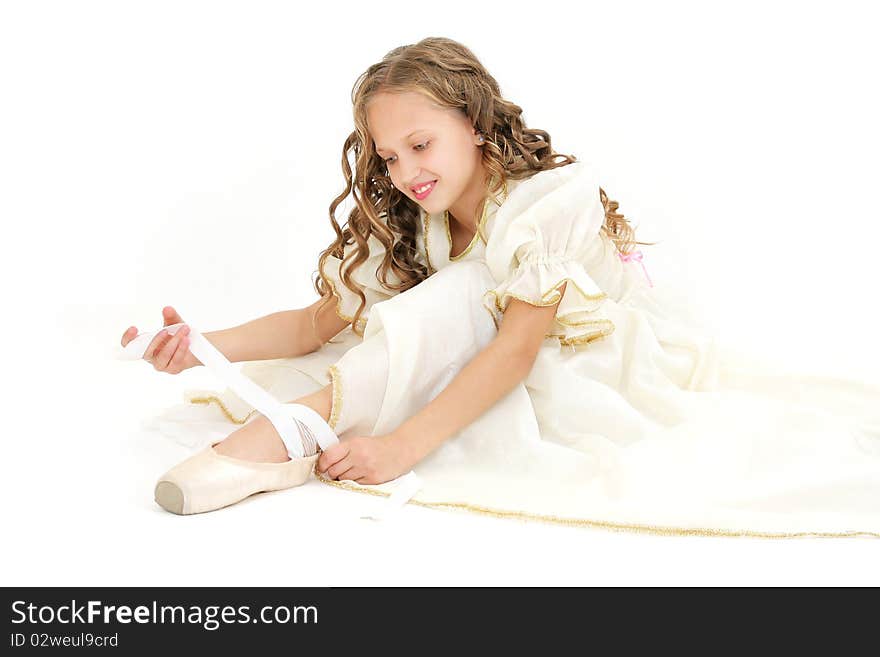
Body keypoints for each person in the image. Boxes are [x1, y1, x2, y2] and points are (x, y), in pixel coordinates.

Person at [123, 37, 880, 538]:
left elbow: (518, 349)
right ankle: (294, 427)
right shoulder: (417, 217)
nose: (404, 172)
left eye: (421, 145)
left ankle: (288, 430)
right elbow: (321, 321)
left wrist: (401, 446)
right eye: (388, 157)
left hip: (588, 359)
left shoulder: (541, 204)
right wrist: (203, 348)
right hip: (487, 351)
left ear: (475, 124)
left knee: (459, 295)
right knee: (425, 306)